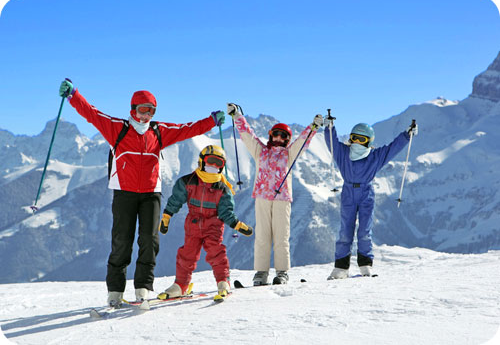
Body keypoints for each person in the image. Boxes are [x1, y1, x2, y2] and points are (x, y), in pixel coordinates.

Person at [58, 79, 225, 306]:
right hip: (124, 194)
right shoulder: (117, 128)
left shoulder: (159, 132)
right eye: (142, 110)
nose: (146, 115)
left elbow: (188, 130)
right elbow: (92, 114)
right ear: (133, 109)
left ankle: (143, 287)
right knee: (121, 241)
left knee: (149, 240)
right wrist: (73, 95)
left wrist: (211, 122)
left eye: (151, 111)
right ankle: (115, 291)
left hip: (151, 194)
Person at [228, 103, 324, 285]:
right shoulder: (260, 151)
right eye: (276, 134)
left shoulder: (289, 154)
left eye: (284, 136)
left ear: (288, 139)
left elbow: (303, 142)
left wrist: (313, 127)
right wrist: (237, 116)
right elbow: (248, 136)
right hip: (262, 198)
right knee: (262, 236)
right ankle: (261, 273)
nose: (279, 138)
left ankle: (282, 273)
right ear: (270, 135)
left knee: (281, 236)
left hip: (282, 200)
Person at [324, 119, 418, 279]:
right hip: (348, 192)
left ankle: (365, 265)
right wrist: (328, 128)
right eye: (354, 138)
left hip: (366, 192)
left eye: (362, 139)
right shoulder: (343, 154)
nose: (357, 143)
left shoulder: (375, 157)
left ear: (369, 142)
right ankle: (341, 267)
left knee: (364, 231)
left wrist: (407, 135)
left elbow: (392, 149)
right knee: (345, 231)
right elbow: (332, 143)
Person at [158, 145, 253, 300]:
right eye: (211, 161)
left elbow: (226, 212)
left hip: (213, 225)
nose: (214, 166)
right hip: (193, 224)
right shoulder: (188, 181)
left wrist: (237, 224)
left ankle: (223, 281)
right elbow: (176, 200)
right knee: (187, 254)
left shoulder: (222, 189)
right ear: (202, 161)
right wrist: (167, 216)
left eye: (218, 164)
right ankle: (181, 285)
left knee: (216, 252)